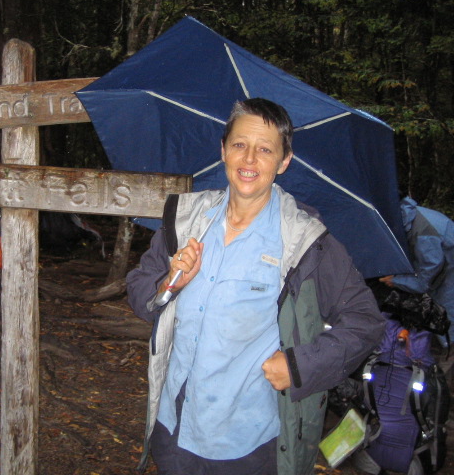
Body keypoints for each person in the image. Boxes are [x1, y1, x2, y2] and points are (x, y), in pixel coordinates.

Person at [126, 98, 385, 475]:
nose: (249, 160)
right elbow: (138, 291)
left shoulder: (304, 241)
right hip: (173, 429)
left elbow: (365, 320)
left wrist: (299, 367)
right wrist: (169, 282)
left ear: (283, 162)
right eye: (239, 145)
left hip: (247, 446)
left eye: (265, 150)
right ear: (223, 151)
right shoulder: (185, 220)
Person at [379, 196, 454, 346]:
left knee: (448, 321)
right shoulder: (409, 215)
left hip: (449, 277)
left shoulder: (424, 234)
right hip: (445, 271)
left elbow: (425, 280)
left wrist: (395, 281)